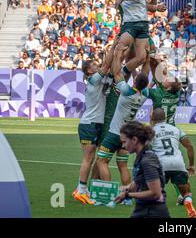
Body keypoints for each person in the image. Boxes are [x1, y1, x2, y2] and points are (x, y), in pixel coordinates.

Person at [96, 46, 149, 196]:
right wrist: (147, 58)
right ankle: (126, 196)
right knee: (122, 165)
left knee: (101, 161)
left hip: (115, 133)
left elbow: (117, 73)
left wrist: (118, 55)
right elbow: (145, 74)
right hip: (128, 136)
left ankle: (106, 193)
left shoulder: (126, 91)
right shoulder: (144, 94)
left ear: (134, 82)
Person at [73, 58, 110, 205]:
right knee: (88, 158)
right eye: (94, 64)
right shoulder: (94, 79)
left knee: (93, 158)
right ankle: (81, 190)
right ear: (89, 70)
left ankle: (81, 188)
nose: (98, 65)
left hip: (96, 124)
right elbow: (107, 64)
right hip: (89, 124)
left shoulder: (99, 79)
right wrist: (115, 46)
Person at [115, 121, 170, 219]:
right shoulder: (142, 156)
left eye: (124, 142)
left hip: (152, 212)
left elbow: (155, 193)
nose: (123, 146)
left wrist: (128, 195)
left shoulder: (147, 160)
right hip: (144, 209)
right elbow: (138, 180)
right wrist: (125, 188)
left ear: (134, 139)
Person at [150, 108, 196, 218]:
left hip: (161, 165)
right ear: (165, 118)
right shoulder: (175, 129)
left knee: (155, 193)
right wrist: (191, 165)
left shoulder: (150, 132)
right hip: (178, 164)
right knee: (186, 192)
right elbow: (189, 146)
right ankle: (189, 205)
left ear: (152, 119)